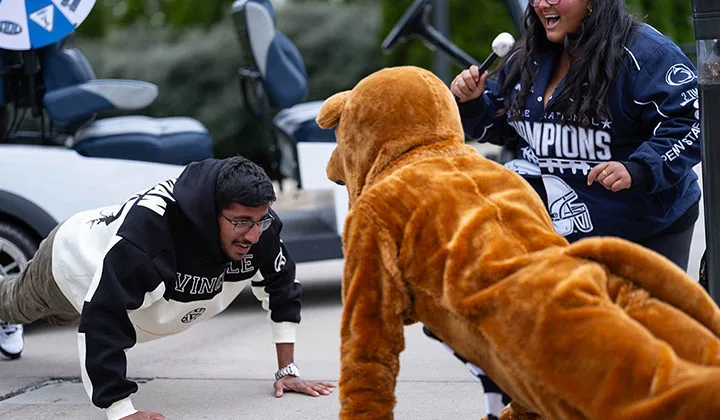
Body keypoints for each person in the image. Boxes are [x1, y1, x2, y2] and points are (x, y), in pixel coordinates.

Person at [444, 0, 702, 418]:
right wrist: (472, 102)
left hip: (643, 231)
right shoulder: (527, 57)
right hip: (561, 236)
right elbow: (500, 125)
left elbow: (691, 121)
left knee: (637, 357)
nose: (543, 1)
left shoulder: (644, 53)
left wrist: (639, 167)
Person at [0, 156, 334, 420]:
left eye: (259, 220)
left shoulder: (260, 228)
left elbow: (282, 288)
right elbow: (104, 317)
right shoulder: (150, 236)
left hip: (123, 289)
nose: (252, 235)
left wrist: (287, 370)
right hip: (72, 262)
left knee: (68, 319)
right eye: (241, 222)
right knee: (14, 305)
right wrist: (119, 410)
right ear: (209, 213)